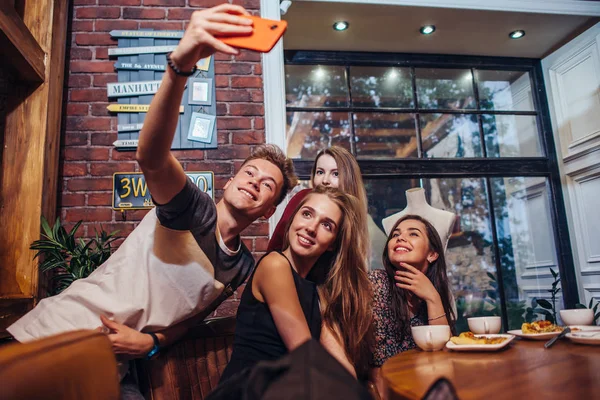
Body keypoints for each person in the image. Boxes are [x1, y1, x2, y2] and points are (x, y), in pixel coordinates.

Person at [8, 1, 297, 386]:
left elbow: (190, 320)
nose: (254, 182)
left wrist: (150, 341)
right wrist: (180, 66)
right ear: (228, 182)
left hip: (114, 364)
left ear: (268, 211)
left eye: (268, 185)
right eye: (250, 172)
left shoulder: (242, 265)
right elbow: (152, 157)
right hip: (59, 332)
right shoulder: (192, 208)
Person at [219, 186, 373, 386]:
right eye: (307, 214)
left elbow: (341, 366)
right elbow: (306, 357)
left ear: (333, 244)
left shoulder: (318, 289)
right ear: (293, 219)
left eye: (327, 225)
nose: (311, 227)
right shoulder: (275, 265)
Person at [369, 214, 456, 396]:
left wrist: (432, 297)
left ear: (432, 254)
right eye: (395, 235)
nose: (400, 238)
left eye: (413, 234)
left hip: (427, 387)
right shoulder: (376, 283)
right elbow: (374, 369)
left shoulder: (435, 293)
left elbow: (444, 355)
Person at [268, 146, 383, 271]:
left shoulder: (358, 218)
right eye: (320, 172)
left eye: (335, 174)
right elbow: (276, 245)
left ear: (349, 179)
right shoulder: (303, 198)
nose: (325, 180)